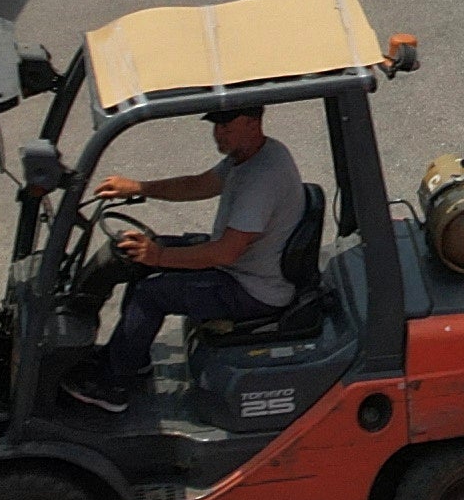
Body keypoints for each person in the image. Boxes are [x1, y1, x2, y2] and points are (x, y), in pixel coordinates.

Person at [60, 102, 304, 410]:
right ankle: (130, 357)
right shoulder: (248, 155)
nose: (219, 134)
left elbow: (226, 252)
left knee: (152, 294)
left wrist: (160, 256)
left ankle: (113, 385)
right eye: (217, 126)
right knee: (137, 257)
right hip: (245, 266)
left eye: (227, 127)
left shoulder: (263, 179)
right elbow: (199, 184)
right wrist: (137, 187)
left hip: (253, 287)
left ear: (253, 124)